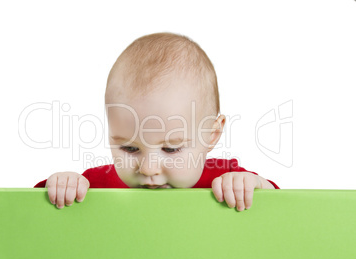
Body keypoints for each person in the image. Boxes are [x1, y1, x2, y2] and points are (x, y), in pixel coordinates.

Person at [34, 32, 280, 212]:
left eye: (170, 149)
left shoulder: (225, 178)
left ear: (211, 135)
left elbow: (283, 210)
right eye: (130, 148)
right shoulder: (96, 185)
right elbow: (33, 211)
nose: (149, 169)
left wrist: (254, 185)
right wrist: (63, 185)